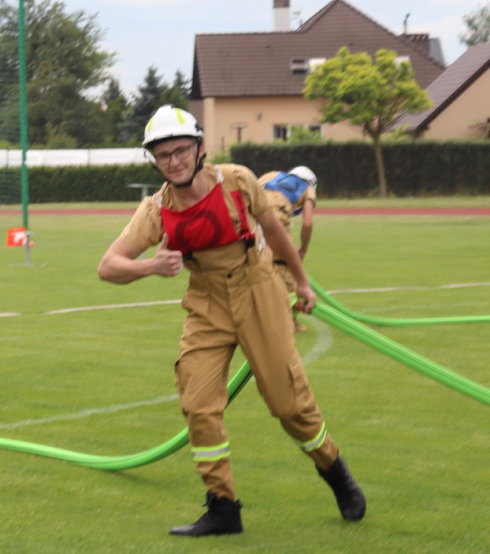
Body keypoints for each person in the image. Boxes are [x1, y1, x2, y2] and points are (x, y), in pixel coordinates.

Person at [97, 105, 365, 537]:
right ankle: (223, 507)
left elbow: (276, 234)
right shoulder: (155, 210)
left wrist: (301, 282)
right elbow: (108, 266)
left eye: (181, 150)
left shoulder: (237, 182)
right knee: (198, 403)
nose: (174, 161)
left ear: (199, 149)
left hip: (258, 288)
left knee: (288, 406)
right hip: (206, 300)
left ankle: (335, 472)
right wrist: (150, 266)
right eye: (163, 155)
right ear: (155, 160)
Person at [259, 166, 318, 332]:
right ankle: (290, 322)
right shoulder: (307, 189)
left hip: (251, 219)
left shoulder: (271, 174)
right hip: (276, 222)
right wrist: (303, 249)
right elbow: (307, 223)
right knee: (289, 272)